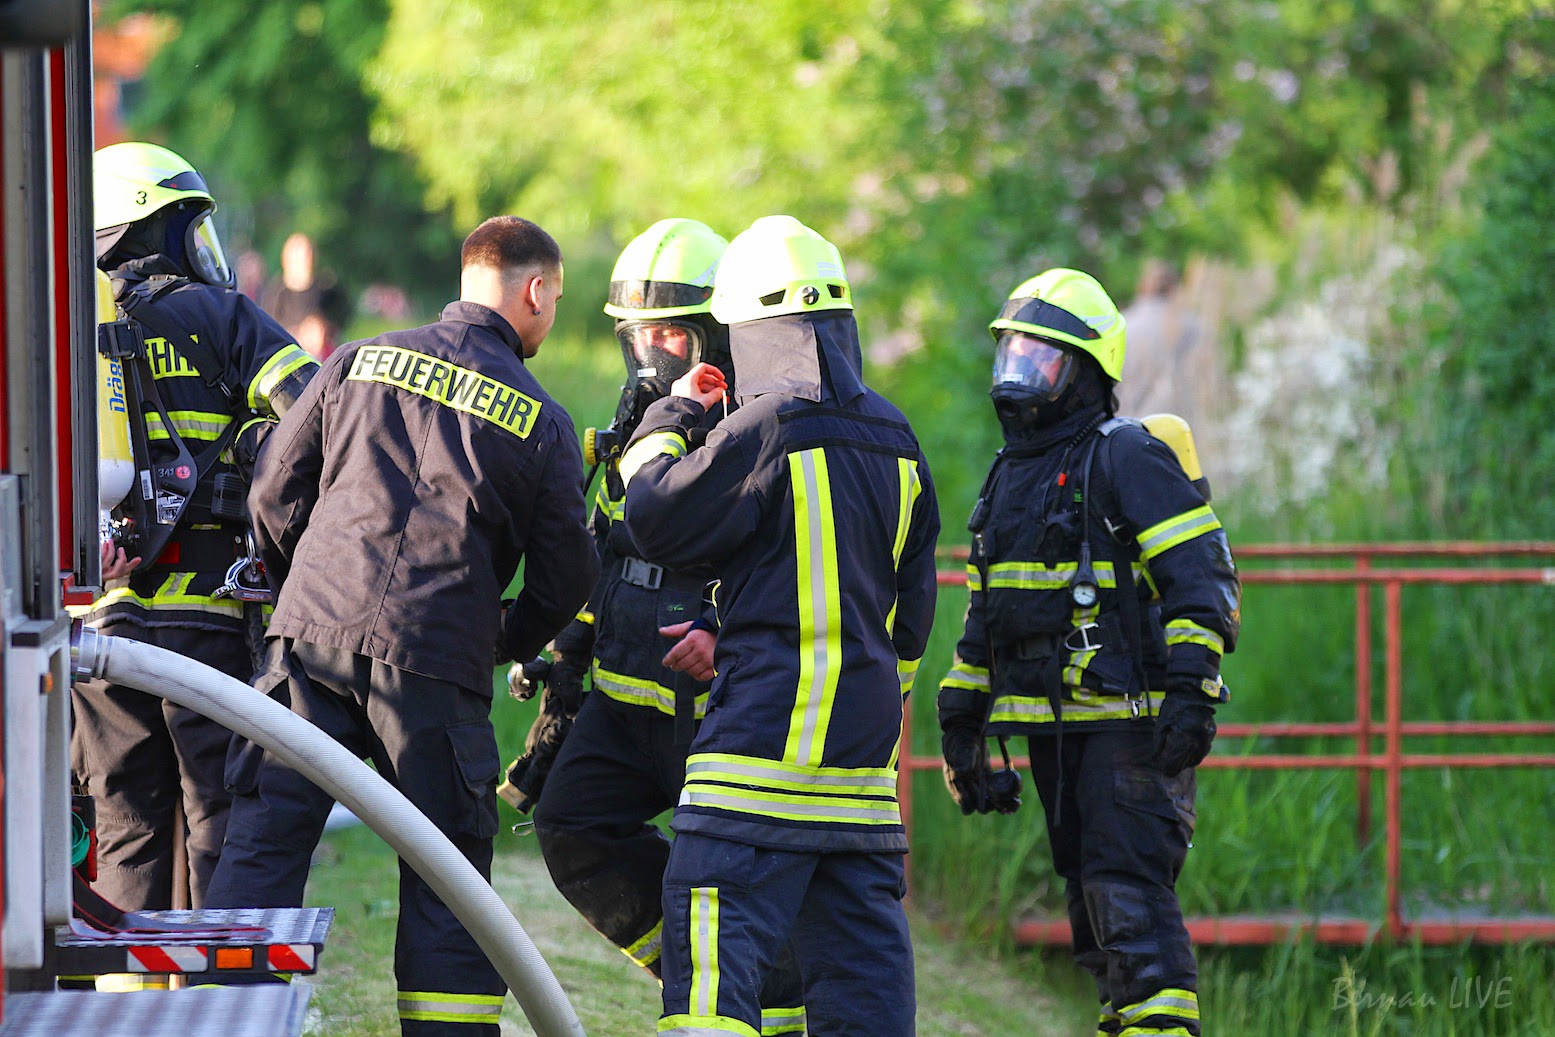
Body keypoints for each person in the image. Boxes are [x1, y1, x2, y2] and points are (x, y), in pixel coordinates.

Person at [204, 216, 598, 1036]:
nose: (550, 313)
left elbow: (274, 488)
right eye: (554, 299)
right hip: (436, 663)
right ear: (533, 291)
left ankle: (224, 1024)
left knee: (264, 842)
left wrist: (301, 589)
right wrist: (501, 639)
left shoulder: (355, 361)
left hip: (308, 643)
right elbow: (568, 575)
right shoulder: (542, 419)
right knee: (448, 881)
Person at [620, 215, 940, 1037]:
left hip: (748, 784)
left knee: (711, 1007)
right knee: (862, 1009)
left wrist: (666, 421)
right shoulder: (897, 439)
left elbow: (654, 515)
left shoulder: (763, 430)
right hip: (860, 801)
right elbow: (908, 630)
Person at [509, 218, 804, 1035]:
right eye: (637, 336)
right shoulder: (639, 414)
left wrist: (721, 625)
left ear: (714, 329)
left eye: (670, 333)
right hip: (622, 693)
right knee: (571, 824)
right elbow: (610, 546)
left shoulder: (749, 421)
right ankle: (708, 984)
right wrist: (569, 649)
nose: (652, 354)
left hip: (708, 705)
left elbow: (778, 555)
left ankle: (758, 1012)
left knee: (717, 876)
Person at [936, 269, 1241, 1037]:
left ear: (1083, 371)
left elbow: (1198, 576)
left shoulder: (1126, 456)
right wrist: (961, 721)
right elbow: (986, 616)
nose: (1019, 375)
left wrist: (1192, 689)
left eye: (1039, 359)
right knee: (1094, 909)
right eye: (1012, 354)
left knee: (1128, 898)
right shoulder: (1009, 477)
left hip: (1127, 731)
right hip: (1054, 731)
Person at [75, 141, 319, 912]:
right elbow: (316, 418)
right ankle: (219, 1000)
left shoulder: (73, 333)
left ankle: (124, 1009)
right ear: (150, 230)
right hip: (206, 614)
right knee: (220, 814)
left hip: (100, 627)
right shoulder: (221, 314)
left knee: (125, 828)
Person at [261, 231, 348, 360]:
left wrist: (322, 328)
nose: (303, 261)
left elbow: (341, 318)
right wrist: (298, 333)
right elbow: (269, 329)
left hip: (324, 358)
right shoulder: (276, 293)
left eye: (307, 255)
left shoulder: (326, 286)